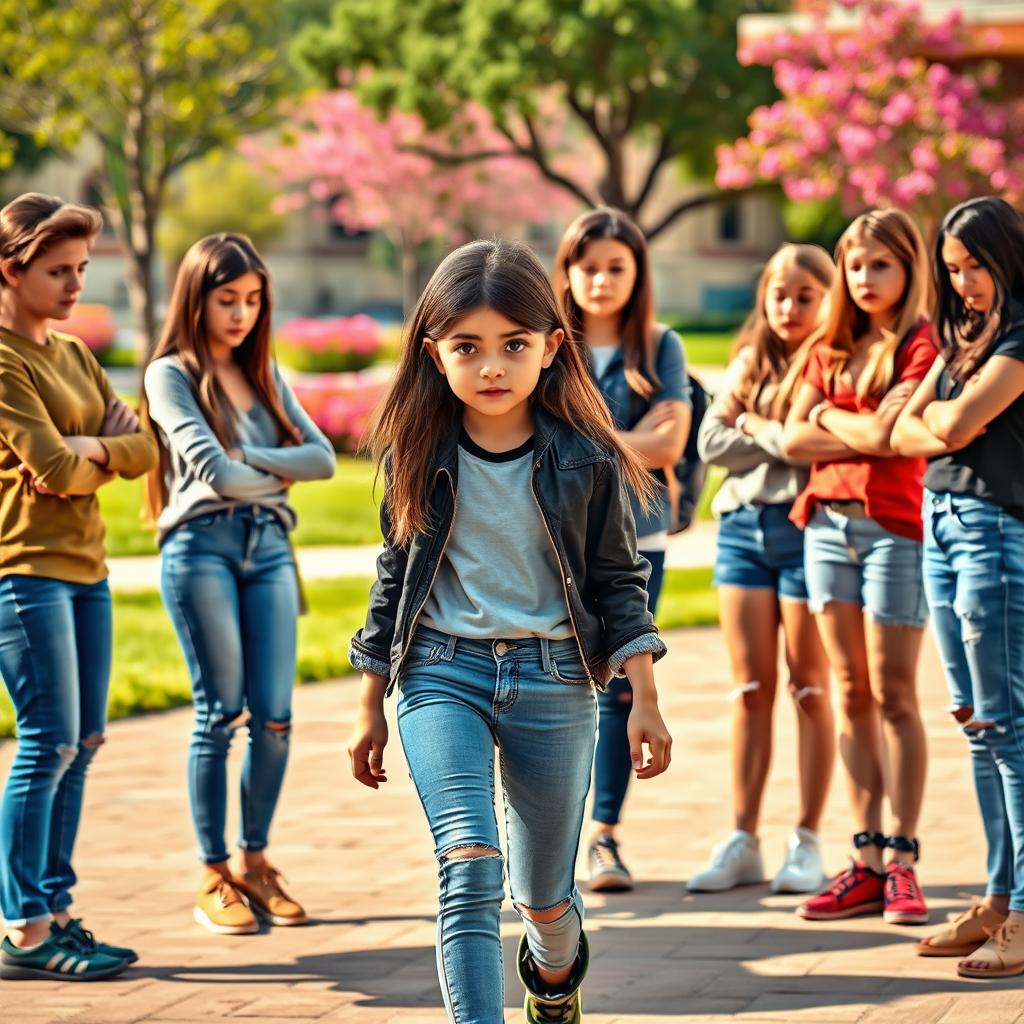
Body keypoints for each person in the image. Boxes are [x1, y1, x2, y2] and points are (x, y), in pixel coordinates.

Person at [347, 238, 672, 1024]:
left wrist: (646, 697)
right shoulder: (417, 451)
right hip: (439, 673)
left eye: (513, 346)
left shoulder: (587, 457)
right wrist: (368, 702)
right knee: (467, 864)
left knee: (544, 902)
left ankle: (554, 979)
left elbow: (618, 585)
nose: (492, 366)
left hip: (556, 679)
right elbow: (394, 578)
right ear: (435, 353)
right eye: (468, 347)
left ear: (552, 347)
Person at [141, 234, 335, 935]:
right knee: (220, 713)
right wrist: (272, 471)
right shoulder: (170, 375)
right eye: (227, 300)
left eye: (253, 301)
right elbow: (212, 477)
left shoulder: (263, 373)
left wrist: (250, 454)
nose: (242, 315)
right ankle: (214, 871)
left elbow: (322, 460)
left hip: (269, 547)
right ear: (196, 298)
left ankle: (256, 862)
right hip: (201, 548)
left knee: (276, 717)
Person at [0, 193, 157, 979]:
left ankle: (58, 910)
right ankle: (23, 927)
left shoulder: (73, 355)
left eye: (80, 270)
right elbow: (57, 468)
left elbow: (145, 449)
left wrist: (85, 449)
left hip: (86, 569)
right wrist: (96, 450)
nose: (73, 285)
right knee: (48, 741)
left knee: (85, 742)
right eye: (57, 271)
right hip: (21, 568)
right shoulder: (2, 360)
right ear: (11, 269)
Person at [783, 209, 937, 925]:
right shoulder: (828, 347)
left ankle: (904, 860)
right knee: (849, 691)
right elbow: (790, 438)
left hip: (895, 531)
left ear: (908, 268)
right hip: (824, 529)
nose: (865, 278)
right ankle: (867, 859)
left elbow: (885, 437)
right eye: (855, 265)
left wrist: (836, 422)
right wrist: (860, 423)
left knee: (897, 693)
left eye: (881, 264)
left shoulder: (922, 344)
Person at [892, 196, 1024, 977]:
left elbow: (948, 426)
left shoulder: (1020, 334)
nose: (963, 281)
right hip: (940, 525)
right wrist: (936, 421)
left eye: (975, 265)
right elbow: (907, 428)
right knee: (976, 722)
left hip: (994, 531)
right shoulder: (963, 335)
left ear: (1007, 256)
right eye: (952, 269)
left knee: (1010, 728)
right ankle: (999, 898)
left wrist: (936, 421)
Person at [552, 207, 691, 893]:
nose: (601, 280)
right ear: (567, 272)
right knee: (553, 687)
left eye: (616, 267)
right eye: (588, 267)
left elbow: (669, 445)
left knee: (618, 690)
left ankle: (604, 837)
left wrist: (581, 437)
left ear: (637, 274)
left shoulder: (661, 345)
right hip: (555, 540)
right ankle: (553, 839)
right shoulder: (546, 345)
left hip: (641, 537)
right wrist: (626, 438)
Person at [690, 243, 834, 895]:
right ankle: (742, 838)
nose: (789, 307)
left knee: (810, 688)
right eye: (779, 294)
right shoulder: (750, 360)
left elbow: (821, 448)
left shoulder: (836, 363)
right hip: (743, 532)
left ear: (829, 300)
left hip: (810, 530)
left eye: (805, 296)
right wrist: (782, 436)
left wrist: (759, 428)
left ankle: (806, 841)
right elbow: (711, 443)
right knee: (750, 691)